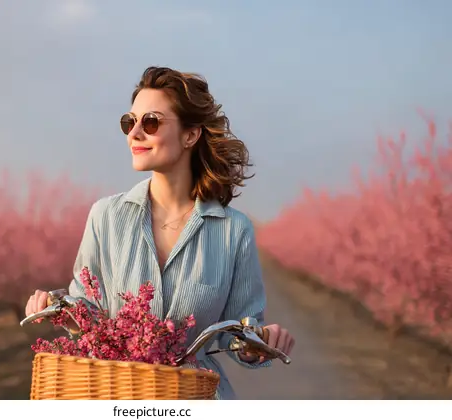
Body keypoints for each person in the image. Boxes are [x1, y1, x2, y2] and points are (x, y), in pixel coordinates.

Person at [25, 66, 295, 399]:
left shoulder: (233, 231)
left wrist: (260, 341)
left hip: (197, 397)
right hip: (118, 396)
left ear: (190, 135)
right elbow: (86, 310)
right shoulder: (105, 217)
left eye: (150, 122)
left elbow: (239, 332)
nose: (134, 134)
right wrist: (56, 304)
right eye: (129, 122)